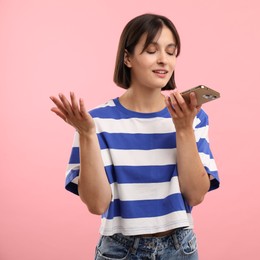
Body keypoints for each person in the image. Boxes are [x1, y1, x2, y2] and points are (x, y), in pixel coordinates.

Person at [50, 13, 219, 259]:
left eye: (171, 52)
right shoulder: (94, 122)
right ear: (127, 58)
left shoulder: (191, 116)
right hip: (119, 250)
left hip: (180, 248)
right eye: (152, 50)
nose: (163, 60)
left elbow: (196, 195)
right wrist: (86, 133)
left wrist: (183, 129)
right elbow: (97, 204)